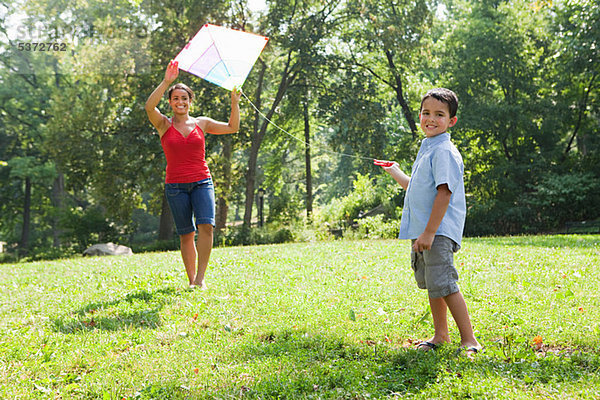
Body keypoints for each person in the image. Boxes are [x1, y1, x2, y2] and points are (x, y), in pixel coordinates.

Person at [375, 88, 481, 356]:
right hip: (426, 231)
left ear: (451, 121)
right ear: (419, 116)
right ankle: (440, 335)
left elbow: (444, 193)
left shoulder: (444, 150)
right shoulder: (428, 148)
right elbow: (416, 188)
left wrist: (430, 233)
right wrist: (395, 171)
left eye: (439, 114)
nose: (430, 119)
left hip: (438, 231)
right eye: (426, 113)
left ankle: (469, 340)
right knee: (434, 283)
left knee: (444, 282)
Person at [145, 60, 241, 289]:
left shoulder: (202, 123)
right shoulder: (163, 125)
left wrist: (234, 103)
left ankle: (200, 279)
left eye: (184, 98)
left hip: (201, 182)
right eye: (176, 98)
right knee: (186, 234)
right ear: (170, 103)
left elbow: (232, 127)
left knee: (206, 226)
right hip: (176, 186)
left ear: (190, 101)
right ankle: (191, 281)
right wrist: (167, 81)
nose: (180, 102)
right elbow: (149, 107)